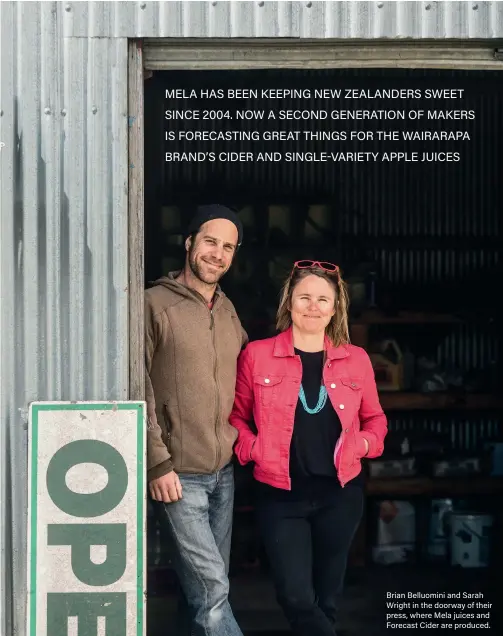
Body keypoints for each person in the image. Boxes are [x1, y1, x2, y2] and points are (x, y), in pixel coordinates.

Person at [230, 260, 388, 636]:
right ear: (289, 303)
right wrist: (255, 450)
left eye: (322, 299)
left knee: (326, 600)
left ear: (335, 308)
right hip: (280, 497)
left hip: (341, 495)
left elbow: (376, 421)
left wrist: (362, 443)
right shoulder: (257, 355)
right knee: (296, 597)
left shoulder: (357, 360)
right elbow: (236, 419)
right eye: (304, 297)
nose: (313, 306)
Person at [145, 204, 248, 636]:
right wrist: (156, 461)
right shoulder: (153, 304)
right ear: (189, 243)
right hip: (178, 476)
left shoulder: (227, 311)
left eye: (228, 247)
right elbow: (136, 385)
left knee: (201, 594)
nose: (218, 253)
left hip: (222, 472)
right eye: (210, 241)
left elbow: (245, 380)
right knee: (213, 590)